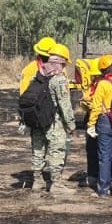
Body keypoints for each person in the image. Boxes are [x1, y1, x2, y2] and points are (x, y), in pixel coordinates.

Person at [28, 44, 75, 193]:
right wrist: (71, 124)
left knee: (38, 150)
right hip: (54, 123)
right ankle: (56, 184)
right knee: (57, 151)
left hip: (37, 121)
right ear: (61, 62)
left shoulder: (39, 76)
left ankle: (37, 181)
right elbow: (65, 105)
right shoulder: (59, 80)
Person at [87, 55, 112, 197]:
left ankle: (103, 190)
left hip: (105, 121)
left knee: (104, 156)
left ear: (103, 69)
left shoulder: (103, 84)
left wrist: (91, 124)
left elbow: (96, 106)